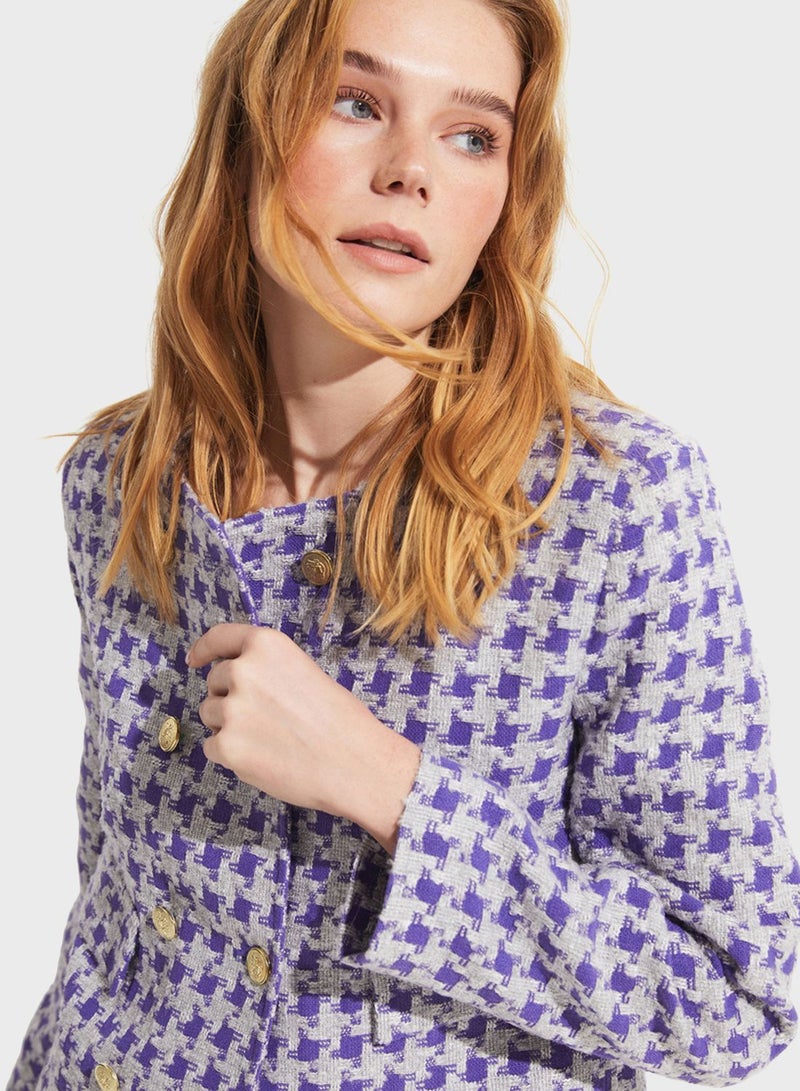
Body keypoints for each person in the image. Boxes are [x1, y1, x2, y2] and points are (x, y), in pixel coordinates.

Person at [7, 0, 800, 1088]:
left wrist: (391, 788)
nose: (409, 172)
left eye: (470, 134)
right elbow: (114, 909)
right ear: (247, 133)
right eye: (354, 102)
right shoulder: (121, 475)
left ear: (506, 195)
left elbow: (734, 994)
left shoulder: (611, 504)